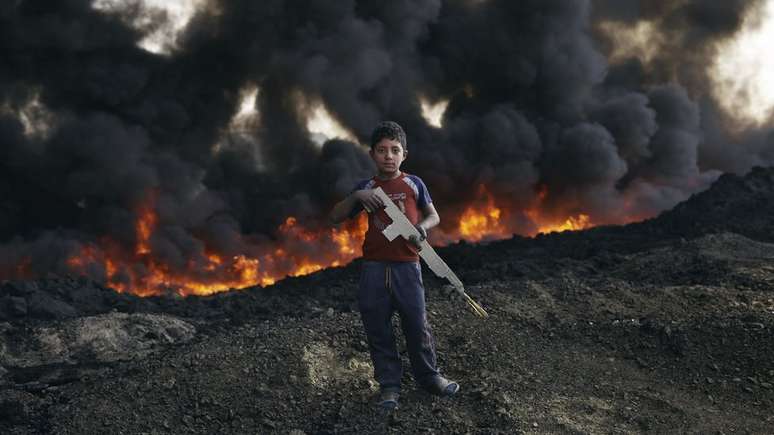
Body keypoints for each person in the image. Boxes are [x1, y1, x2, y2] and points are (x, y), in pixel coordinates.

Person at [329, 121, 459, 410]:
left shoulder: (414, 184)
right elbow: (335, 216)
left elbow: (433, 215)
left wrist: (422, 228)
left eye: (395, 150)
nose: (389, 156)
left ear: (404, 155)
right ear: (372, 155)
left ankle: (430, 377)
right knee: (377, 327)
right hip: (374, 268)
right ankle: (389, 386)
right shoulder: (366, 188)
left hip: (407, 266)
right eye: (382, 150)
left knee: (417, 323)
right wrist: (357, 197)